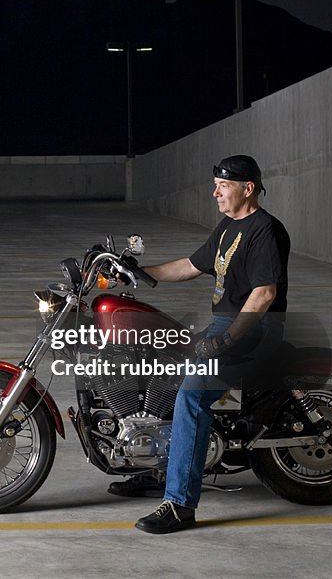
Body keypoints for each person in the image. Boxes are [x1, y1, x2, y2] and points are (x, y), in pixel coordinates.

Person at [111, 155, 290, 533]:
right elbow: (191, 266)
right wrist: (135, 274)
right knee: (161, 369)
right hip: (225, 324)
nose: (215, 193)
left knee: (192, 396)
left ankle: (179, 504)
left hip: (252, 331)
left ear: (248, 188)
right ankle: (161, 468)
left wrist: (226, 340)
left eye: (223, 186)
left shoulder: (265, 231)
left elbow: (264, 294)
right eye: (216, 185)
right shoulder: (228, 227)